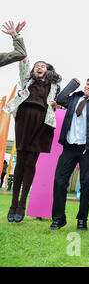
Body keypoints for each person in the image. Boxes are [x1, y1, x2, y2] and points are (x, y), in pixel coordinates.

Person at [4, 35, 62, 223]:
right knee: (20, 162)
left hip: (42, 123)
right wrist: (16, 37)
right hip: (24, 120)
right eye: (37, 65)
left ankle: (22, 203)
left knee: (30, 163)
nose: (39, 67)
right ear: (33, 69)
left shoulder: (54, 86)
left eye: (43, 66)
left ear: (47, 70)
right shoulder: (26, 80)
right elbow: (22, 59)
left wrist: (57, 104)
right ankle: (13, 204)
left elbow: (60, 103)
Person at [49, 76, 89, 231]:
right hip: (70, 147)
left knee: (87, 185)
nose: (88, 87)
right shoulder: (75, 98)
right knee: (59, 181)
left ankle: (82, 220)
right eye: (88, 84)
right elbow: (60, 98)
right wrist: (74, 84)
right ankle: (58, 219)